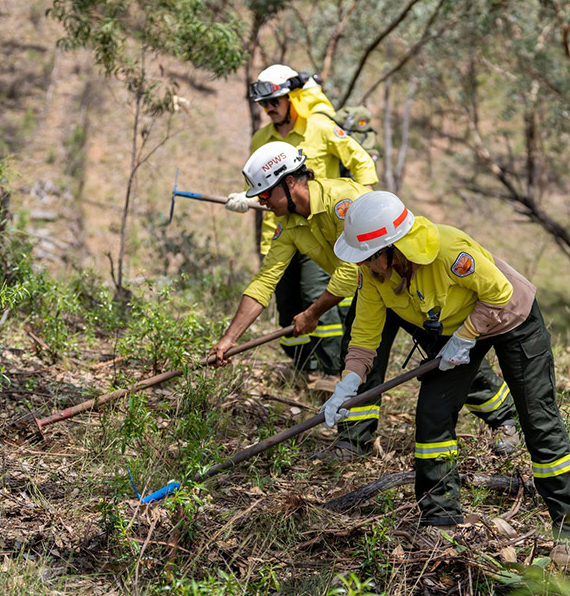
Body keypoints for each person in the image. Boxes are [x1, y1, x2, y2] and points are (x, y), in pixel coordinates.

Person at [213, 143, 521, 461]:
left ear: (289, 183)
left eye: (265, 195)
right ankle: (353, 442)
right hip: (370, 291)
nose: (263, 204)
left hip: (404, 284)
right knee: (359, 358)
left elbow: (349, 273)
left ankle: (505, 420)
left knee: (447, 356)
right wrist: (229, 338)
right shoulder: (290, 225)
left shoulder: (343, 200)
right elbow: (266, 281)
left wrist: (313, 312)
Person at [325, 191, 570, 564]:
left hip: (510, 317)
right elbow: (365, 337)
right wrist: (347, 385)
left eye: (369, 258)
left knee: (537, 419)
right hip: (454, 329)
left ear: (393, 248)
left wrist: (465, 337)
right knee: (432, 415)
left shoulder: (449, 250)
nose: (365, 266)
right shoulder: (373, 277)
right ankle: (440, 520)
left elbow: (499, 292)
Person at [223, 64, 379, 384]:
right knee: (287, 305)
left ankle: (334, 371)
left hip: (328, 228)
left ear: (292, 97)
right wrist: (229, 339)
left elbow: (361, 162)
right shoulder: (262, 140)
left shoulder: (319, 129)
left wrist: (365, 213)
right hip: (286, 229)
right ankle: (304, 370)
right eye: (263, 105)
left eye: (274, 102)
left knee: (315, 295)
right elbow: (262, 284)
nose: (268, 110)